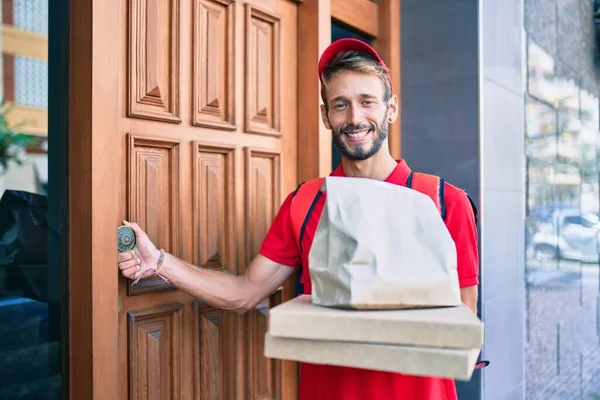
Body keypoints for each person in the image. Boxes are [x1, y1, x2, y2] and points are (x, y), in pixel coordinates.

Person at [118, 38, 479, 400]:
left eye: (367, 102)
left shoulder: (445, 202)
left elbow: (461, 332)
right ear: (326, 116)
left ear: (391, 109)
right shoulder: (305, 203)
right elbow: (244, 293)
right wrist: (159, 263)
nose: (354, 118)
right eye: (341, 105)